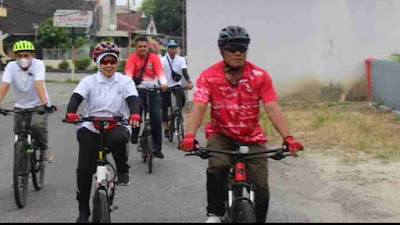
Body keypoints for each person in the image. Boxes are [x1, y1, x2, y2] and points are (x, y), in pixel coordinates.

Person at [179, 26, 303, 223]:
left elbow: (272, 108)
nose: (238, 53)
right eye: (232, 48)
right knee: (218, 167)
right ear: (222, 50)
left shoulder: (260, 76)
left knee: (261, 188)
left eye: (243, 48)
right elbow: (200, 106)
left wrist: (288, 138)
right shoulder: (209, 76)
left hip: (252, 136)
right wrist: (189, 135)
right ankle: (215, 213)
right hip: (221, 134)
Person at [64, 41, 141, 223]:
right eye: (104, 61)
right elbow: (76, 98)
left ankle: (122, 169)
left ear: (116, 62)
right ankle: (83, 211)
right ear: (98, 63)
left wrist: (135, 114)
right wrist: (71, 112)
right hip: (92, 125)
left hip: (117, 123)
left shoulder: (124, 81)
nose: (109, 65)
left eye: (112, 61)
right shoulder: (88, 81)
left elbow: (132, 99)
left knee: (119, 138)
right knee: (84, 169)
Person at [0, 40, 55, 161]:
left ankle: (44, 149)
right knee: (19, 131)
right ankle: (21, 169)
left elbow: (39, 84)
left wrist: (45, 104)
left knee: (36, 126)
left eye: (26, 55)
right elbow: (5, 85)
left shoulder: (38, 64)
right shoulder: (11, 67)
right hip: (20, 105)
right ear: (15, 56)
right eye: (19, 56)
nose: (23, 58)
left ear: (32, 55)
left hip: (39, 104)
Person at [124, 36, 168, 159]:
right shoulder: (132, 58)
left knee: (156, 118)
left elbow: (160, 73)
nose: (142, 49)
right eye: (140, 47)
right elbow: (128, 75)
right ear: (135, 48)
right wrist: (129, 86)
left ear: (148, 47)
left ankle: (157, 148)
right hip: (138, 90)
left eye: (144, 46)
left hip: (154, 89)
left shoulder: (154, 58)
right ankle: (135, 132)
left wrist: (164, 83)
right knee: (136, 114)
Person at [160, 40, 193, 139]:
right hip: (165, 85)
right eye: (171, 48)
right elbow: (159, 73)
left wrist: (189, 81)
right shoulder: (162, 60)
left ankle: (175, 115)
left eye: (175, 48)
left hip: (176, 85)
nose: (173, 50)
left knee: (182, 100)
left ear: (177, 49)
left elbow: (184, 71)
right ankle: (166, 128)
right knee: (164, 107)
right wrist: (161, 83)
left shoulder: (181, 59)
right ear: (167, 49)